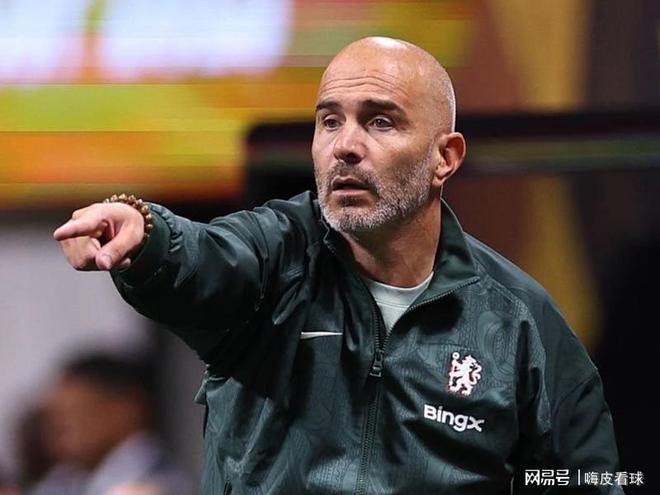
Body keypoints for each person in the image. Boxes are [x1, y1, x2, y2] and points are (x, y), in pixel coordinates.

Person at [54, 37, 623, 494]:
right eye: (330, 121)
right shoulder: (276, 256)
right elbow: (205, 259)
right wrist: (146, 234)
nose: (344, 146)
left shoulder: (520, 322)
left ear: (444, 158)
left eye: (380, 122)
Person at [29, 353, 192, 495]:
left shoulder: (164, 483)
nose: (57, 431)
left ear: (126, 407)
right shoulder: (65, 481)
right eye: (54, 421)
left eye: (73, 414)